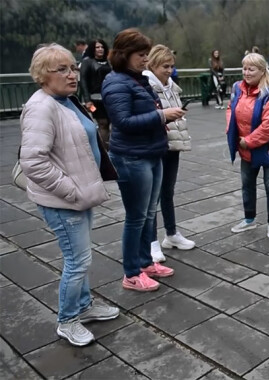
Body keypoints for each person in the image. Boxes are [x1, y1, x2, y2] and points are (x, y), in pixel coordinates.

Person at [20, 43, 119, 346]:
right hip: (64, 200)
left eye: (72, 67)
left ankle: (84, 306)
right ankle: (67, 319)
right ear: (42, 76)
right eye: (61, 69)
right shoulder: (42, 107)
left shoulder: (65, 101)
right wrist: (71, 191)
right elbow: (33, 162)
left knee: (81, 258)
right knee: (77, 261)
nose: (71, 74)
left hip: (79, 196)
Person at [102, 28, 184, 292]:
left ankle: (146, 262)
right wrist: (162, 117)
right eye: (140, 54)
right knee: (136, 217)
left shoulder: (138, 79)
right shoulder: (115, 82)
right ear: (124, 55)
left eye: (146, 54)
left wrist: (162, 118)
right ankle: (131, 272)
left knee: (149, 214)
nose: (145, 60)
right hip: (131, 157)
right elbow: (122, 122)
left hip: (151, 153)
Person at [143, 44, 195, 263]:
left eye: (172, 66)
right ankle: (151, 241)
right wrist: (167, 115)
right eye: (165, 66)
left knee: (168, 191)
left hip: (173, 144)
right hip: (156, 144)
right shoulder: (146, 86)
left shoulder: (172, 86)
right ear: (153, 65)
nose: (169, 70)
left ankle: (171, 233)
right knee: (152, 195)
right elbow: (148, 116)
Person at [226, 53, 269, 239]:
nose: (246, 72)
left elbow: (268, 128)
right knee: (247, 185)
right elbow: (231, 109)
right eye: (244, 68)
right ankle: (249, 219)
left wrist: (248, 141)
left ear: (261, 71)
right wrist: (232, 131)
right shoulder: (237, 88)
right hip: (245, 148)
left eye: (251, 69)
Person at [79, 39, 112, 148]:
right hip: (95, 101)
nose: (100, 49)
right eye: (97, 47)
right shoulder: (87, 62)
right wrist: (87, 100)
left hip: (110, 99)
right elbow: (83, 81)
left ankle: (111, 147)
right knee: (102, 123)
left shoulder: (109, 62)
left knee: (112, 123)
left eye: (102, 47)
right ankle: (104, 149)